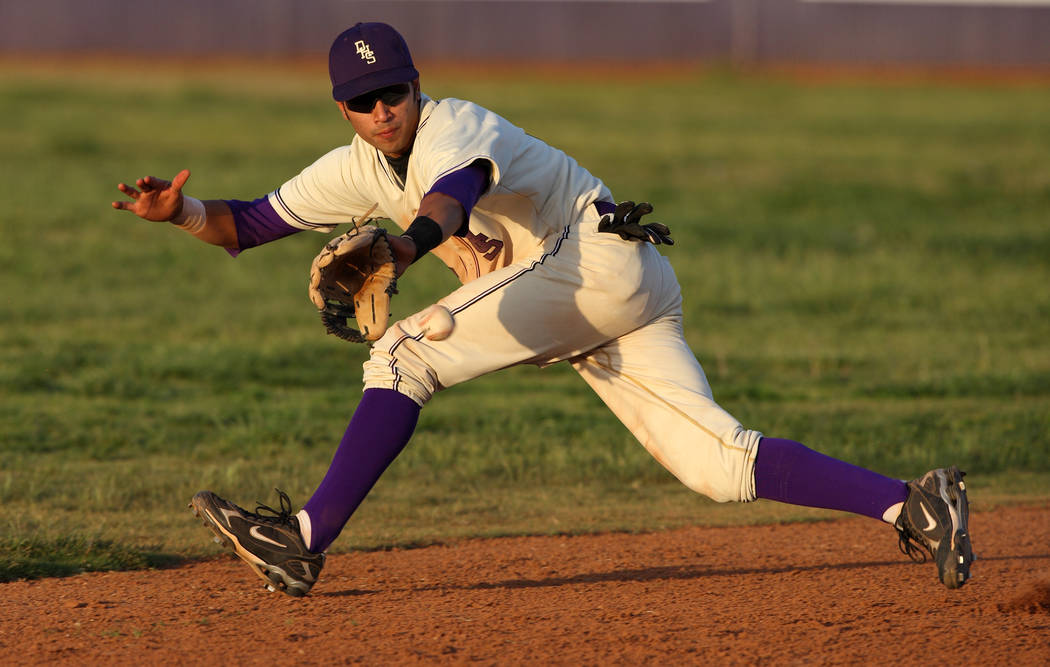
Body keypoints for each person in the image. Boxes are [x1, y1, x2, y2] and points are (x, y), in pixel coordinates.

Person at [112, 22, 974, 597]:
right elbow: (254, 220)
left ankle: (304, 539)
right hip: (609, 289)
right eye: (366, 102)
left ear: (419, 86)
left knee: (403, 355)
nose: (385, 111)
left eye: (396, 92)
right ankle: (916, 504)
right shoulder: (353, 166)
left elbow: (450, 197)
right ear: (342, 108)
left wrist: (405, 249)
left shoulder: (456, 127)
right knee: (717, 465)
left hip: (594, 261)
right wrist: (181, 214)